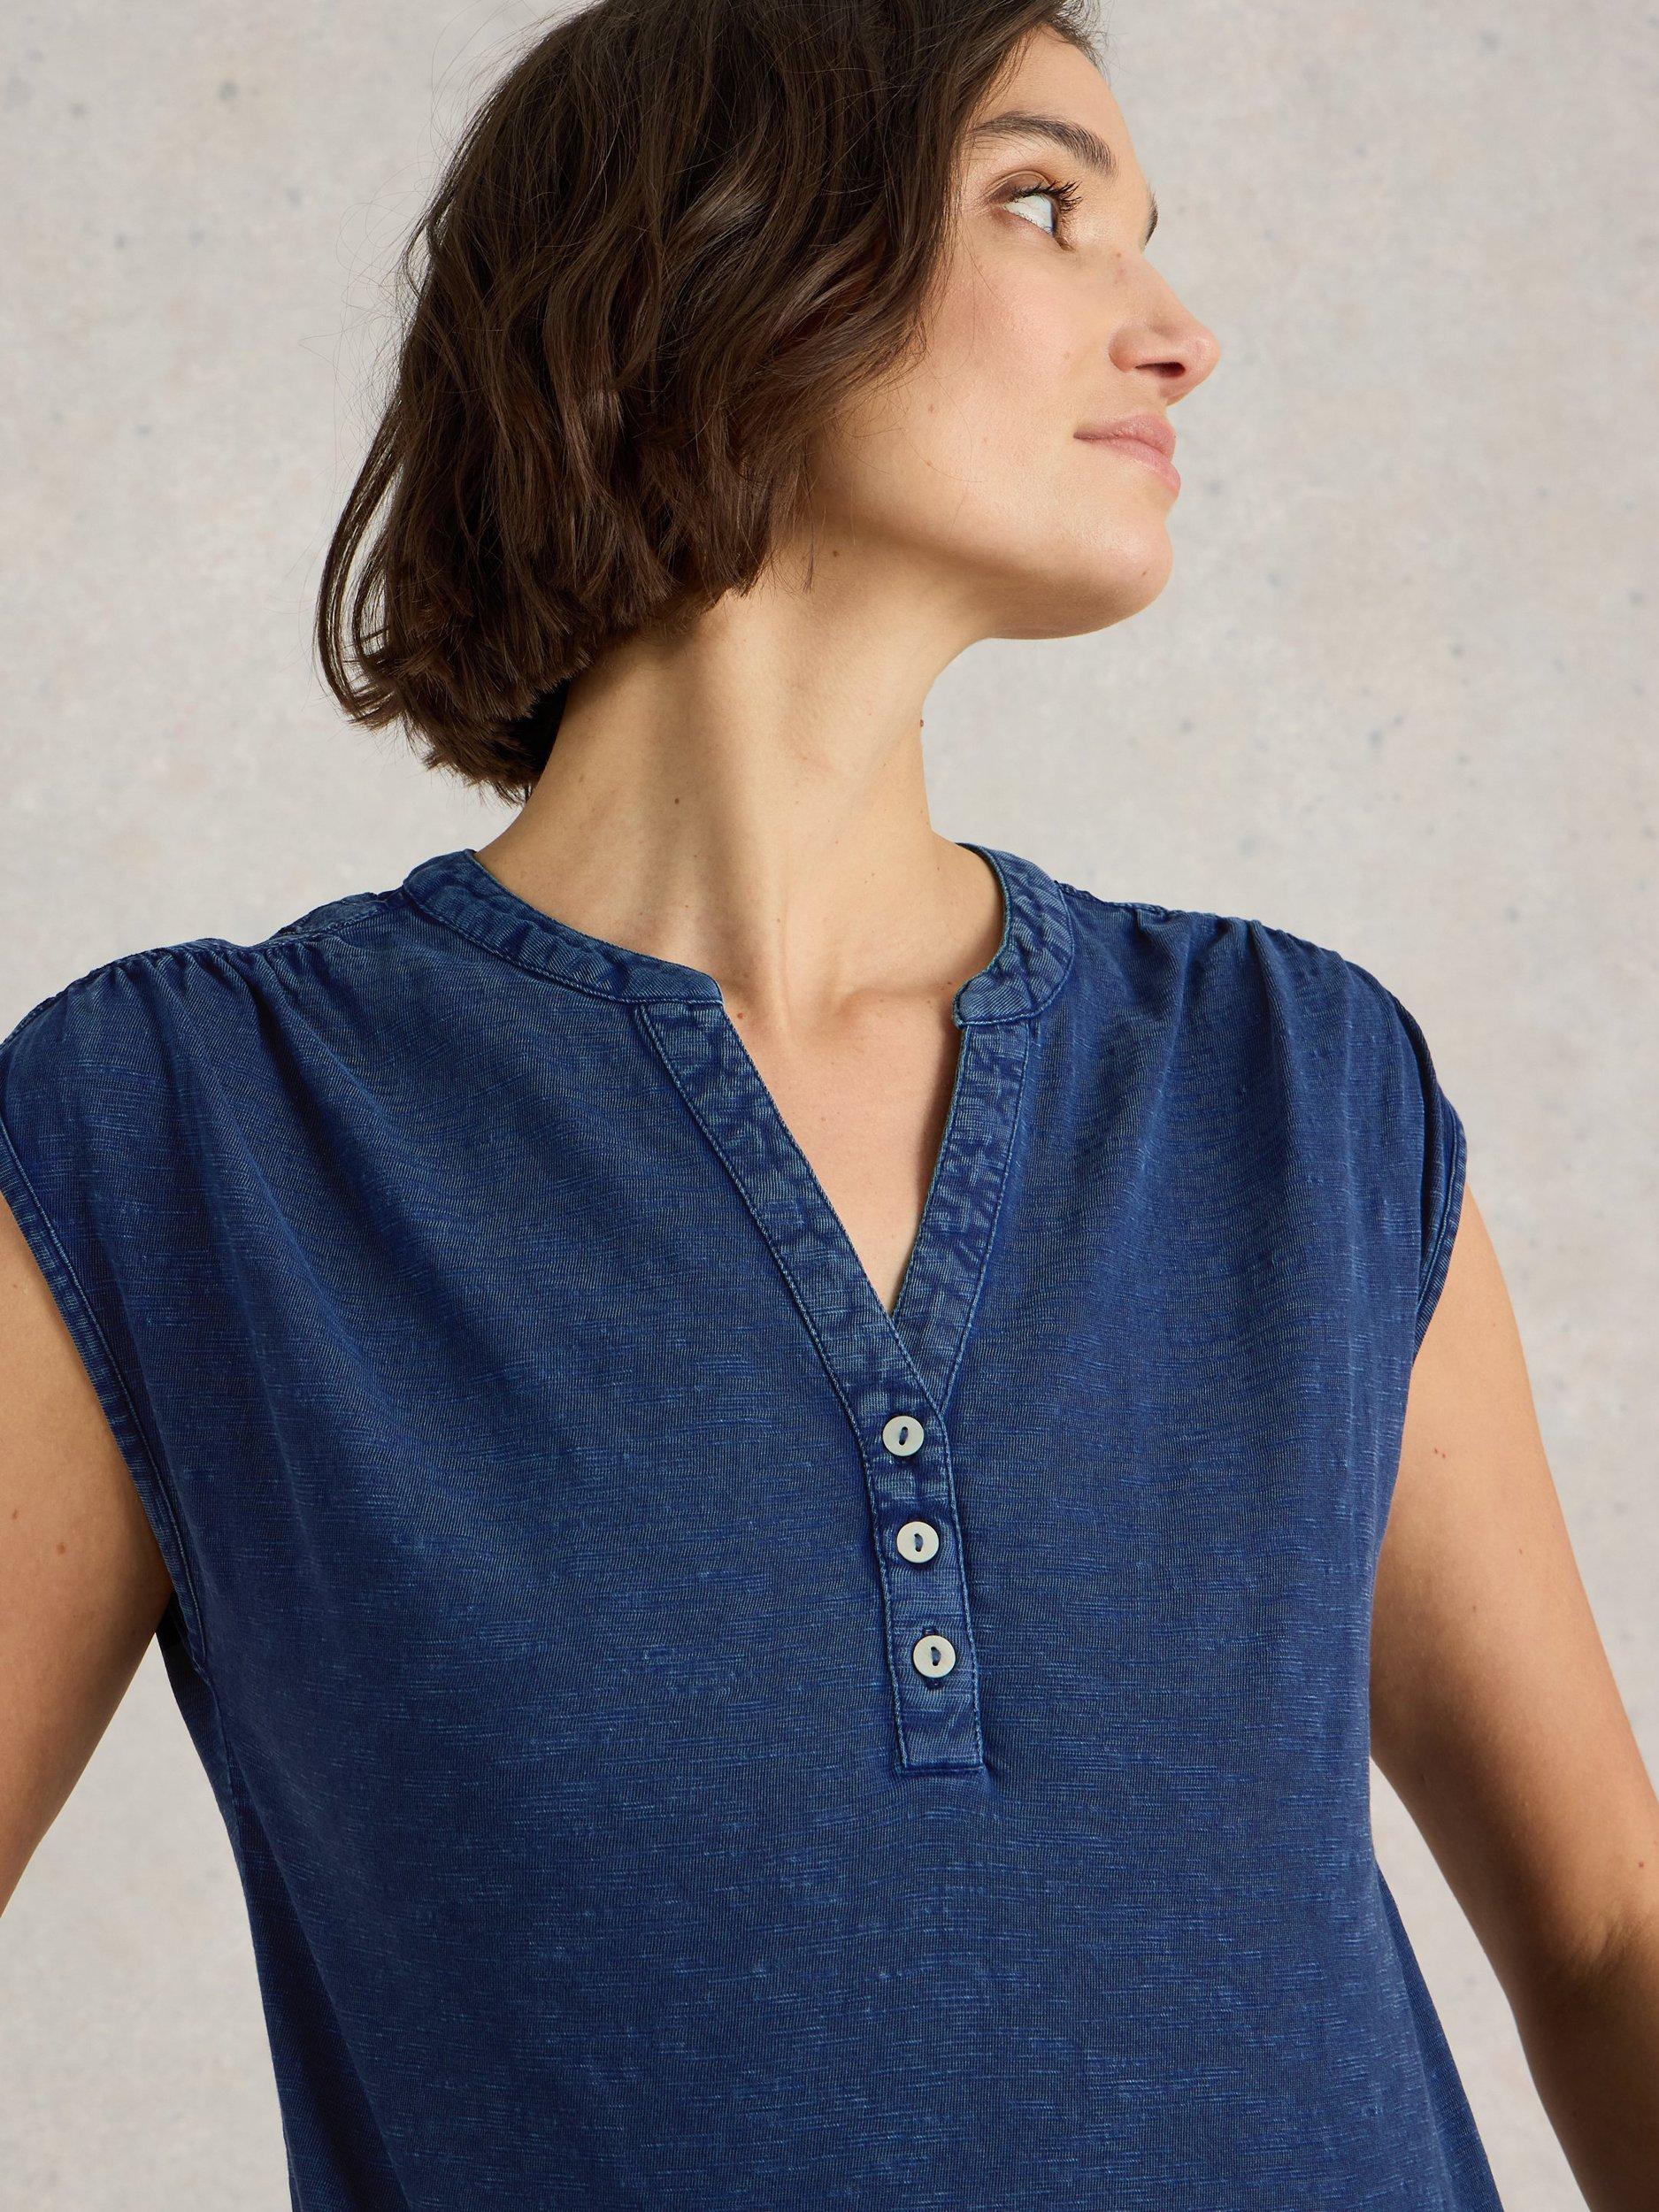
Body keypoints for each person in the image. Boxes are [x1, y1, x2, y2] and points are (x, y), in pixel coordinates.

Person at [3, 1, 1655, 2205]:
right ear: (719, 256)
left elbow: (1605, 1928)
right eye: (1041, 204)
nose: (1178, 332)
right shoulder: (186, 1139)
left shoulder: (1294, 1088)